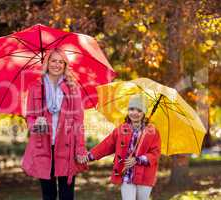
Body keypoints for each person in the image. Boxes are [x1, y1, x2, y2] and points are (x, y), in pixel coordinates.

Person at [21, 48, 87, 200]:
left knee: (67, 195)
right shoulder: (35, 87)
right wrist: (36, 123)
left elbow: (78, 121)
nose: (56, 64)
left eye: (60, 61)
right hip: (43, 145)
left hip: (66, 146)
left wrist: (81, 148)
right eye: (53, 60)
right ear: (47, 63)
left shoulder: (72, 88)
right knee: (48, 195)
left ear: (65, 65)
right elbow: (29, 117)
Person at [82, 94, 161, 200]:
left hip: (144, 175)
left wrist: (137, 160)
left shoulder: (152, 132)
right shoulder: (121, 129)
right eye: (132, 109)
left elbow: (155, 154)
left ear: (144, 113)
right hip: (126, 173)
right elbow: (106, 145)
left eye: (139, 110)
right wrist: (89, 156)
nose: (134, 113)